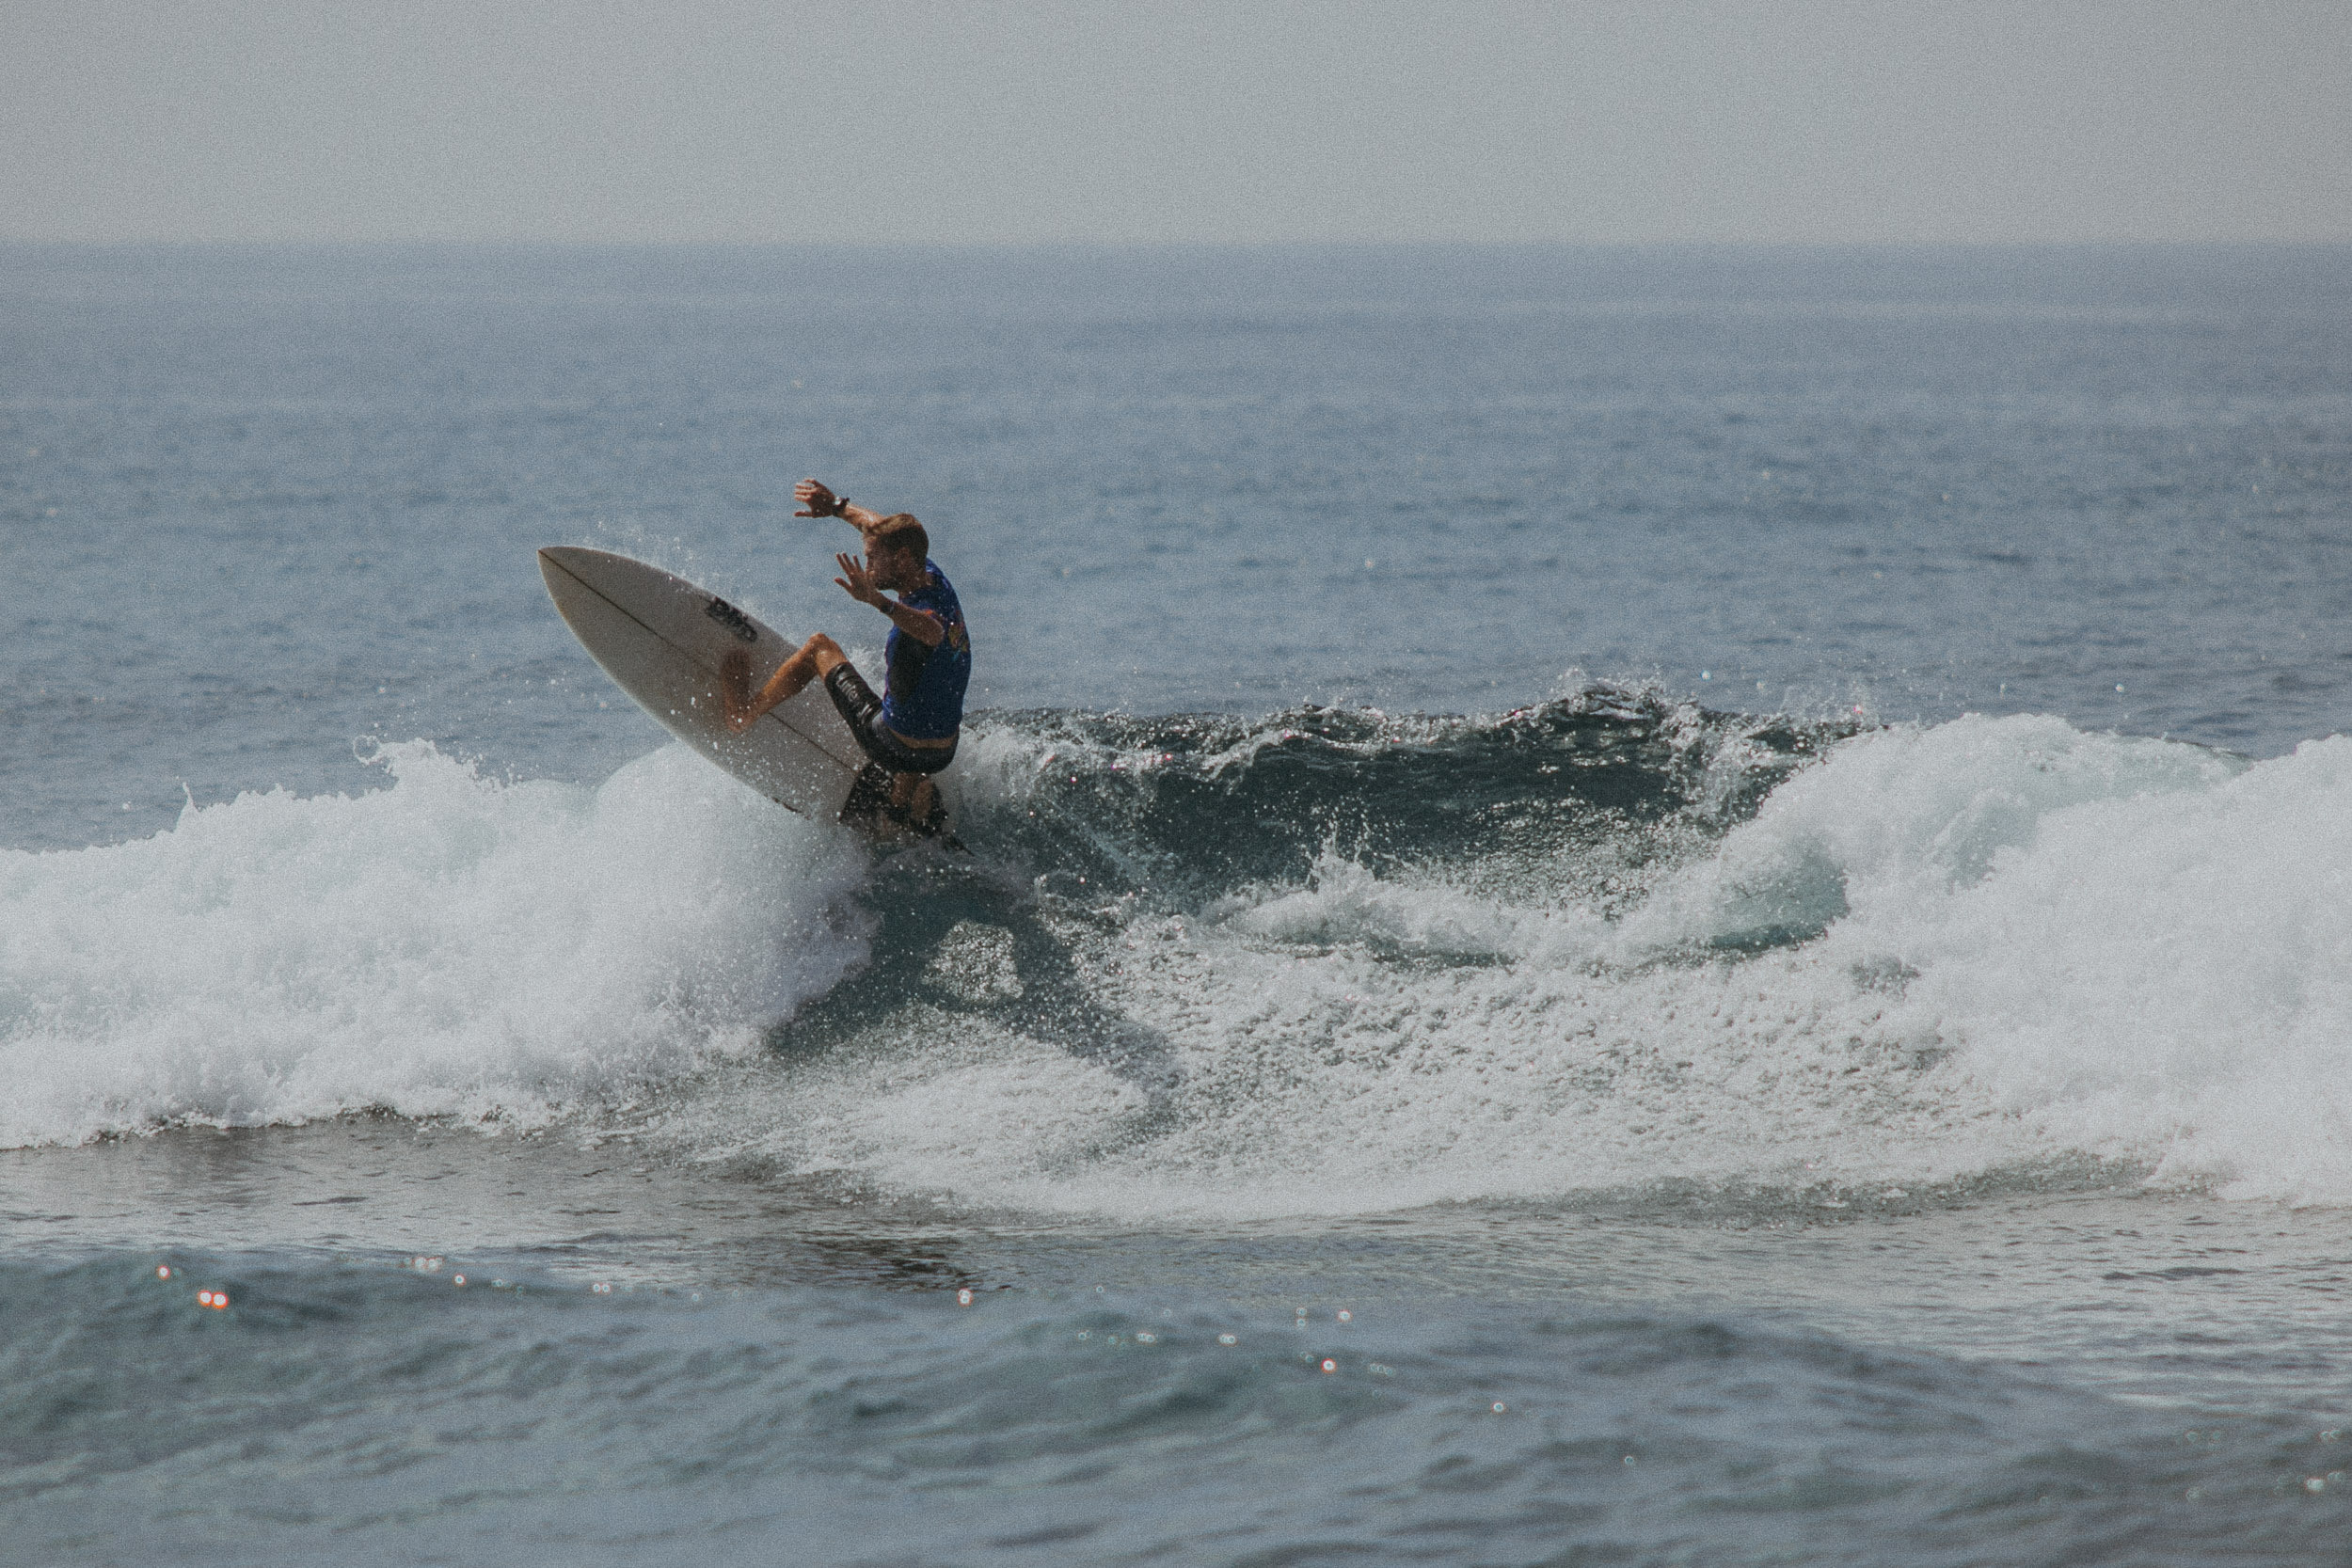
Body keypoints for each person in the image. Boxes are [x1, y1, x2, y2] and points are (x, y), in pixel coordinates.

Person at [718, 479, 970, 835]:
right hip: (943, 752)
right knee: (919, 685)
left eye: (871, 559)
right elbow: (877, 528)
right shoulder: (931, 575)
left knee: (819, 648)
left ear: (901, 559)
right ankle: (899, 807)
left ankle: (742, 714)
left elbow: (932, 632)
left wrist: (878, 602)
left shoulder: (925, 613)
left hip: (893, 746)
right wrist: (837, 506)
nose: (866, 568)